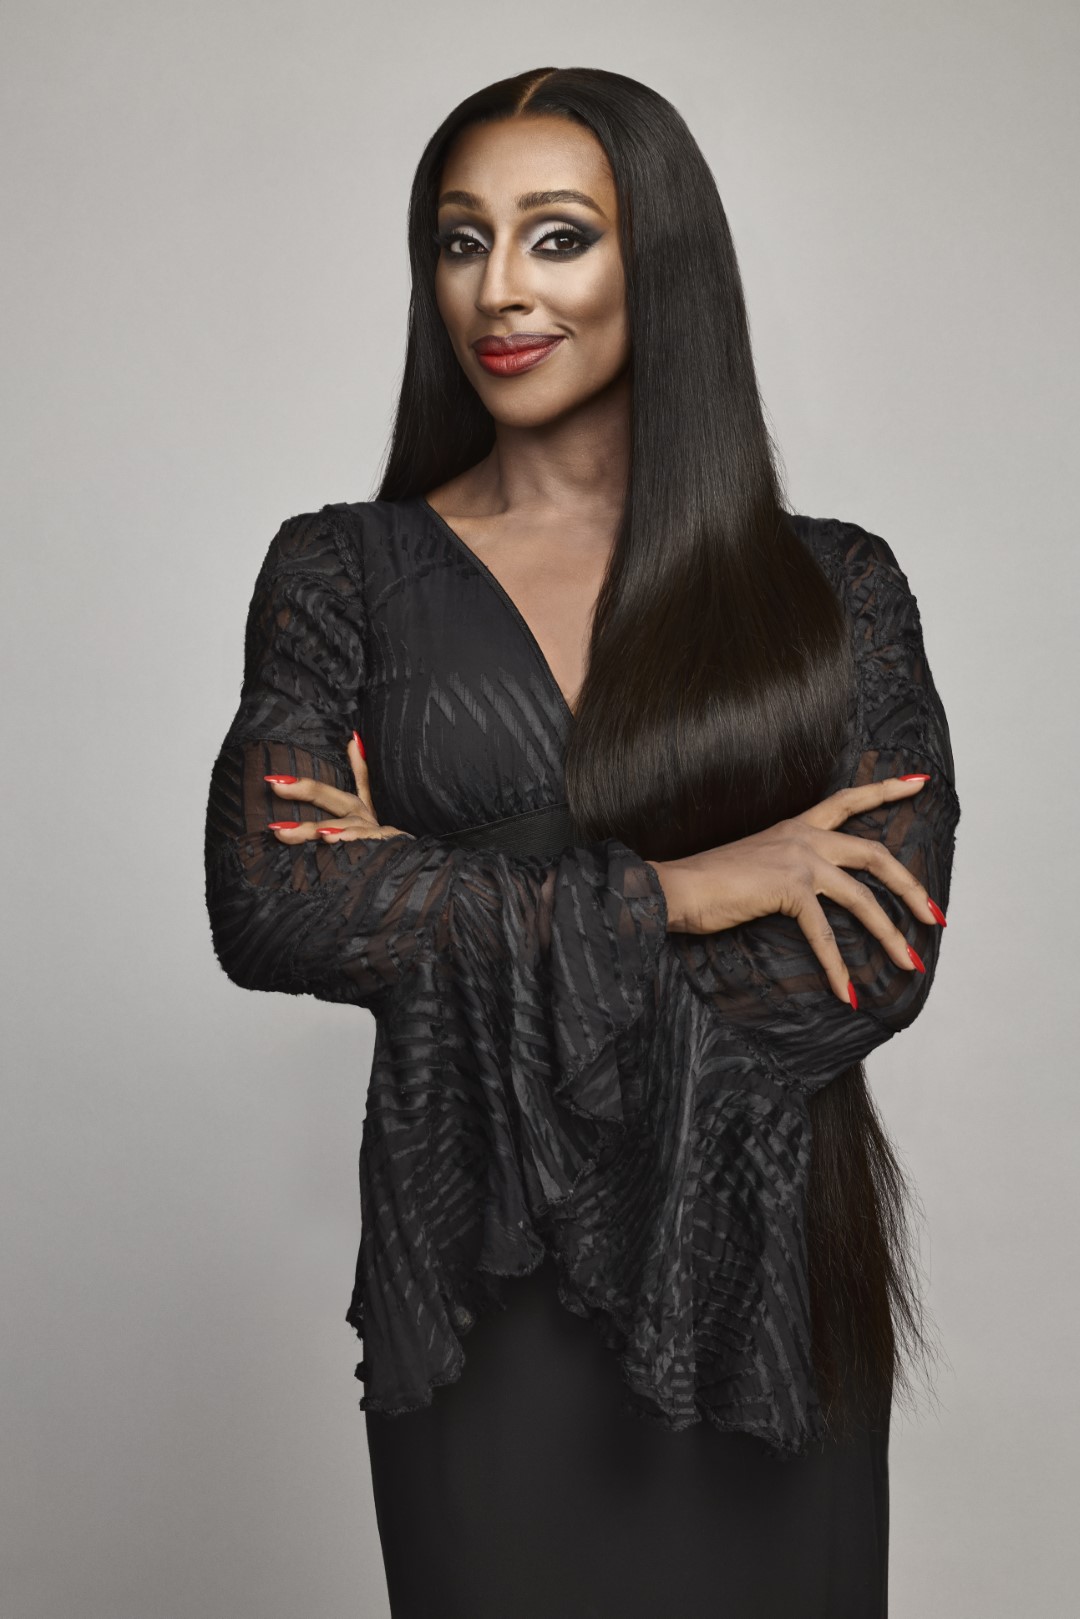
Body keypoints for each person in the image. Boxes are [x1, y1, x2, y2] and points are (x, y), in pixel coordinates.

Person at [203, 65, 960, 1619]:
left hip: (761, 1288)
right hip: (482, 1292)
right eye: (460, 238)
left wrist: (436, 889)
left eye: (557, 236)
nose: (497, 287)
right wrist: (688, 889)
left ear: (658, 260)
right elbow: (274, 901)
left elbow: (864, 964)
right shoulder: (345, 575)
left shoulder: (834, 593)